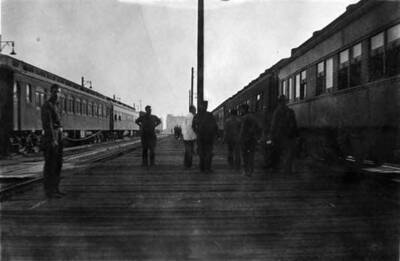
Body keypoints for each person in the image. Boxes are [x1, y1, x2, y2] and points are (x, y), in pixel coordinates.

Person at [41, 84, 65, 199]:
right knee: (50, 165)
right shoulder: (47, 105)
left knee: (58, 164)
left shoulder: (58, 105)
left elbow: (59, 121)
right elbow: (48, 124)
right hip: (52, 137)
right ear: (51, 92)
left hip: (59, 136)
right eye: (55, 92)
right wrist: (53, 139)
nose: (57, 94)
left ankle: (56, 189)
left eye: (58, 92)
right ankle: (49, 191)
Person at [269, 95, 298, 174]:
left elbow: (273, 125)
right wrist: (295, 134)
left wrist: (271, 135)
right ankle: (287, 169)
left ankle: (278, 169)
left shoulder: (277, 112)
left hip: (279, 135)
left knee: (278, 152)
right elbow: (294, 124)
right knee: (288, 153)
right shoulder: (290, 111)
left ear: (279, 102)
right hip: (289, 135)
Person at [192, 101, 218, 173]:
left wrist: (197, 132)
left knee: (201, 153)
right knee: (208, 152)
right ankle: (207, 168)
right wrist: (215, 134)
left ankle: (202, 168)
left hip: (200, 137)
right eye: (205, 105)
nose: (205, 107)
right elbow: (215, 126)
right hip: (208, 137)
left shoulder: (197, 115)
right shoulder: (210, 115)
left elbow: (193, 126)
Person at [239, 104, 261, 176]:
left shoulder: (244, 118)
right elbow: (258, 127)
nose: (240, 111)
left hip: (245, 139)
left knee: (245, 155)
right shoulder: (253, 117)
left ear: (244, 109)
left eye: (241, 109)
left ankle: (246, 171)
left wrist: (240, 138)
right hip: (253, 139)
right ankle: (251, 171)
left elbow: (242, 130)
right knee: (251, 155)